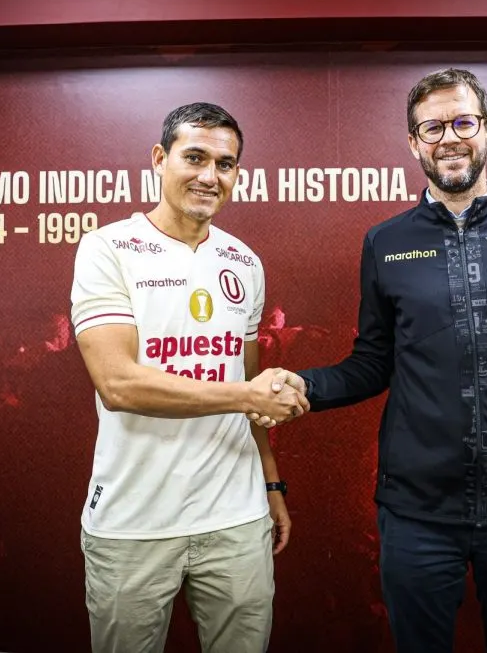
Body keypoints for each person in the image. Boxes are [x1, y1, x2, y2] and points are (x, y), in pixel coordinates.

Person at [255, 68, 487, 653]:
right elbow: (373, 361)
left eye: (463, 122)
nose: (450, 138)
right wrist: (304, 386)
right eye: (433, 127)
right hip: (417, 512)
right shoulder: (385, 241)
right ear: (414, 143)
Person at [69, 102, 308, 653]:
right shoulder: (109, 249)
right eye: (194, 157)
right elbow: (119, 384)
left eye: (224, 164)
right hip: (134, 520)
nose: (209, 176)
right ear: (160, 158)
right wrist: (247, 393)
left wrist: (269, 482)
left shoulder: (244, 262)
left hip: (237, 517)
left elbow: (248, 391)